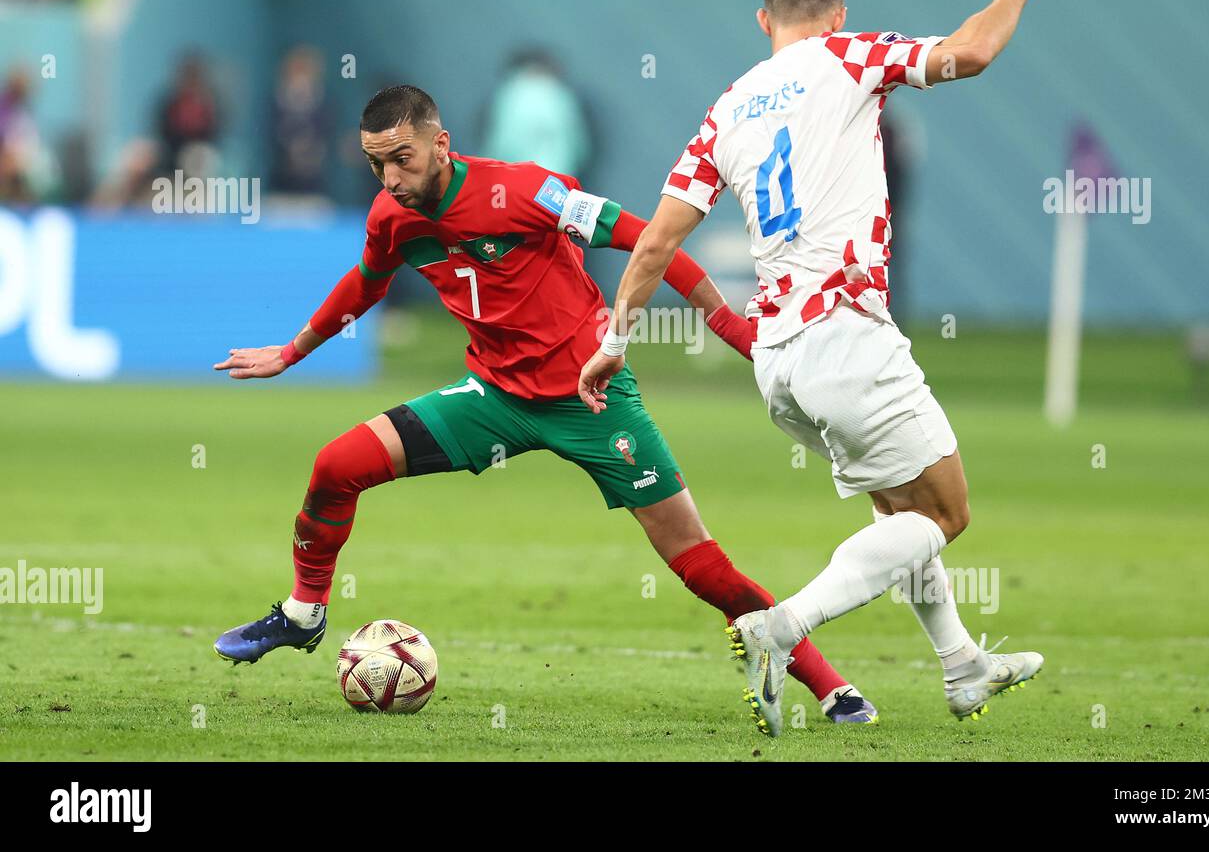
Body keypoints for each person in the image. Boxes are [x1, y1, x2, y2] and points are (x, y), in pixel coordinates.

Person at [212, 84, 877, 724]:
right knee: (337, 465)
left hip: (591, 397)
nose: (388, 176)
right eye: (375, 163)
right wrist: (292, 351)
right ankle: (304, 616)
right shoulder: (392, 218)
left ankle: (831, 687)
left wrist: (725, 322)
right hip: (492, 397)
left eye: (400, 158)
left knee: (698, 563)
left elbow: (646, 238)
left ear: (441, 144)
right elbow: (365, 283)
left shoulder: (525, 190)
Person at [579, 0, 1088, 736]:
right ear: (837, 13)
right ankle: (780, 627)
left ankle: (962, 667)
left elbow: (654, 246)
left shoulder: (730, 105)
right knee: (945, 514)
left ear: (763, 20)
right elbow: (974, 51)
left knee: (898, 509)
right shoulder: (852, 57)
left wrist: (614, 341)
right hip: (845, 335)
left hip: (778, 359)